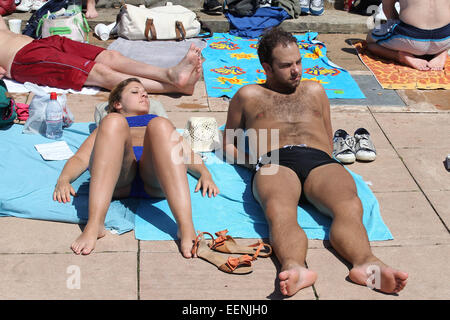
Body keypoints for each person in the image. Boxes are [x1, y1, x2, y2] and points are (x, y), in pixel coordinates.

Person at [223, 27, 408, 297]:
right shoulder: (248, 95)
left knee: (349, 205)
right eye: (286, 65)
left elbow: (328, 134)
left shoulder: (316, 91)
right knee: (280, 209)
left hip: (319, 160)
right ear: (267, 67)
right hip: (276, 159)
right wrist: (251, 162)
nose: (296, 70)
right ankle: (295, 268)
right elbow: (228, 143)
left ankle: (366, 264)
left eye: (298, 61)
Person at [53, 78, 219, 257]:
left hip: (156, 180)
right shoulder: (108, 124)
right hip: (119, 180)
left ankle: (186, 228)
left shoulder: (157, 121)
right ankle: (95, 225)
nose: (144, 95)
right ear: (117, 103)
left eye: (145, 93)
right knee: (113, 122)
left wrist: (204, 173)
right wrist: (64, 179)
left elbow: (184, 153)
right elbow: (80, 158)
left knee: (161, 124)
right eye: (135, 92)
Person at [0, 15, 202, 95]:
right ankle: (172, 86)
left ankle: (170, 73)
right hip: (23, 60)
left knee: (111, 57)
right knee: (100, 72)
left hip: (40, 44)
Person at [366, 0, 450, 71]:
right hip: (444, 38)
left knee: (370, 41)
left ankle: (400, 56)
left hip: (411, 37)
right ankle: (442, 52)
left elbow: (387, 7)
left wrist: (397, 28)